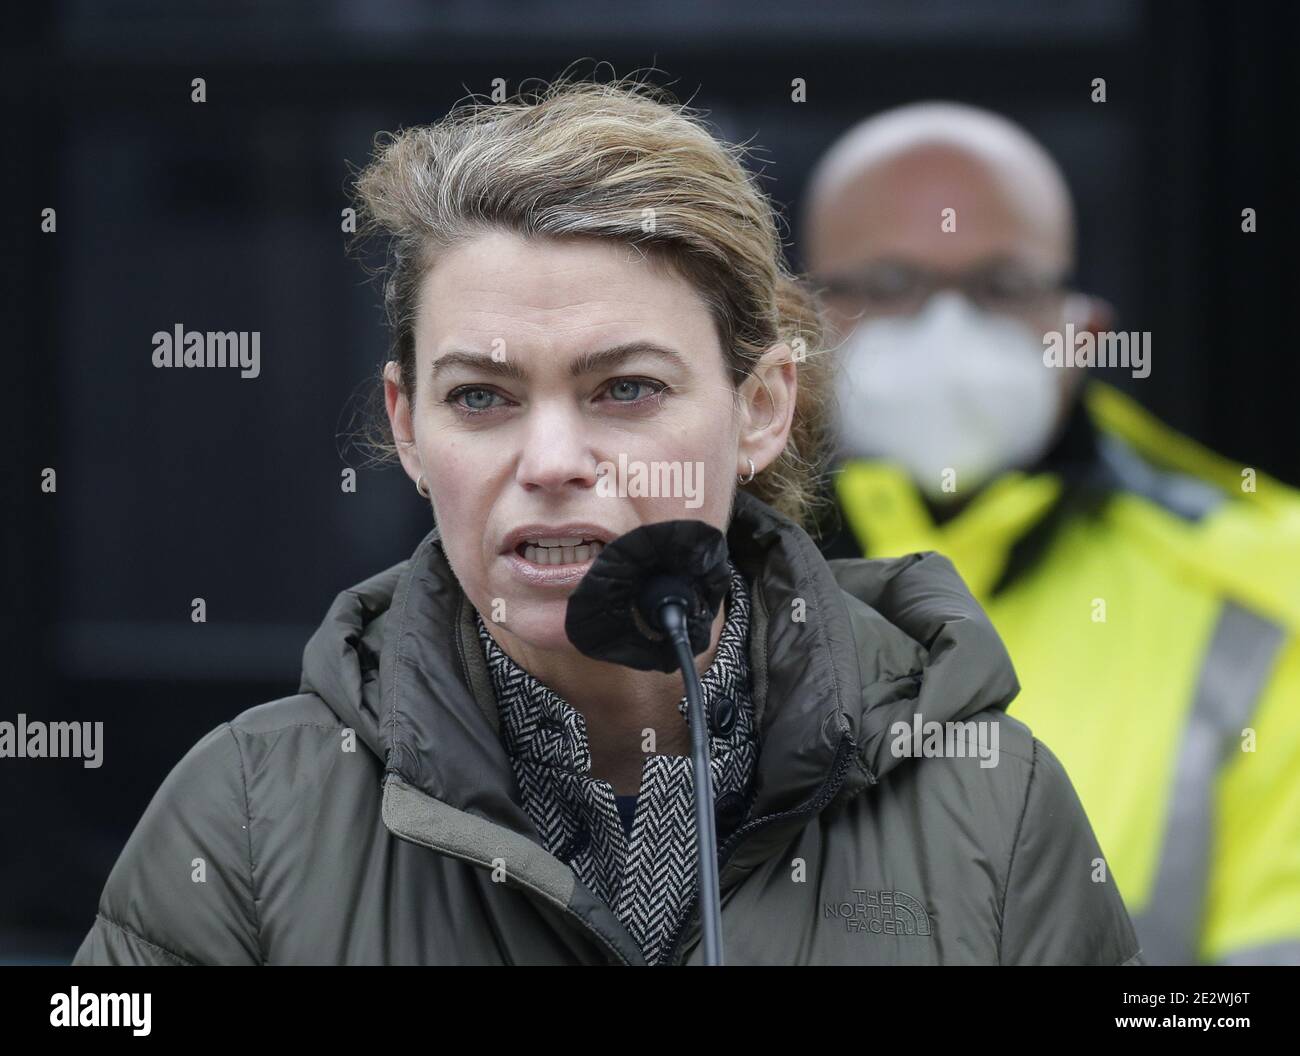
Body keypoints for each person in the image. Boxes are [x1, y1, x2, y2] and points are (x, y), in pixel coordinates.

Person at [72, 78, 1140, 966]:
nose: (548, 463)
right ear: (406, 425)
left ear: (761, 406)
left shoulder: (992, 806)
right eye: (480, 398)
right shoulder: (244, 818)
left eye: (623, 389)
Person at [803, 101, 1300, 965]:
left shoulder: (1266, 589)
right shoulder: (691, 583)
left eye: (1002, 287)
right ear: (792, 326)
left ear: (1083, 332)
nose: (946, 333)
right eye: (887, 286)